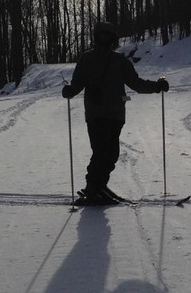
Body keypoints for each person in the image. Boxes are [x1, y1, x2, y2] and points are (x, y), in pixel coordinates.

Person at [62, 21, 168, 204]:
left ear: (112, 39)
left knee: (111, 153)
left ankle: (99, 186)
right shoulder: (87, 59)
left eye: (108, 36)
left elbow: (136, 83)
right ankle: (93, 188)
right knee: (101, 151)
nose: (104, 39)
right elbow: (78, 82)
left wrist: (157, 87)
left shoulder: (120, 61)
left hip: (115, 114)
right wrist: (70, 90)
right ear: (96, 37)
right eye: (101, 36)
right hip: (96, 113)